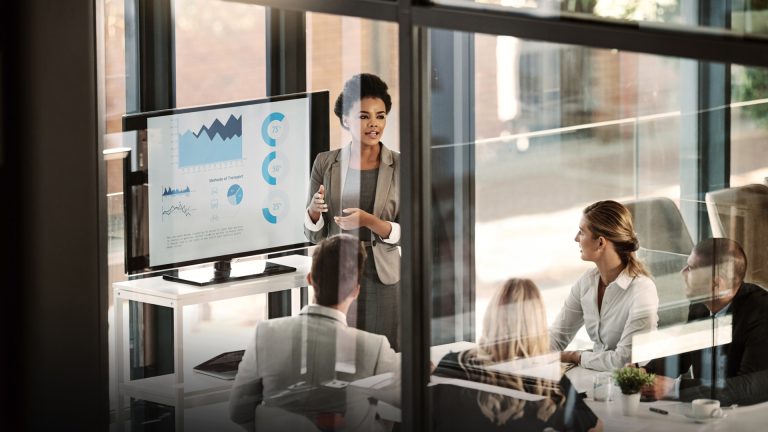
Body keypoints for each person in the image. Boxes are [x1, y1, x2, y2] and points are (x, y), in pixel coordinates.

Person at [229, 234, 400, 431]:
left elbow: (238, 412)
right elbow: (412, 397)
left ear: (310, 279)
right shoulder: (373, 348)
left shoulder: (265, 334)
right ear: (356, 290)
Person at [305, 73, 401, 350]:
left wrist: (369, 221)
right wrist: (313, 212)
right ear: (346, 120)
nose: (374, 124)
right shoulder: (326, 163)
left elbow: (411, 231)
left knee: (383, 352)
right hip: (338, 269)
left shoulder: (400, 165)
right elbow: (314, 236)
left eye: (380, 116)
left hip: (382, 275)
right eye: (363, 116)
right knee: (336, 352)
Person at [433, 278, 603, 432]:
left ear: (491, 316)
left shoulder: (453, 364)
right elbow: (595, 427)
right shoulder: (550, 383)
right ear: (537, 326)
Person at [641, 238, 768, 404]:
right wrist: (643, 371)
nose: (682, 272)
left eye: (691, 268)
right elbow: (680, 354)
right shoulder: (700, 306)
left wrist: (675, 389)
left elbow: (746, 387)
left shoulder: (762, 311)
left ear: (715, 283)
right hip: (707, 413)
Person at [549, 200, 659, 371]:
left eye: (581, 232)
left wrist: (575, 356)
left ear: (600, 242)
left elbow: (623, 360)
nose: (576, 238)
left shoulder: (642, 289)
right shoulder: (587, 282)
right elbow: (556, 337)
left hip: (630, 387)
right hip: (593, 377)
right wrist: (526, 356)